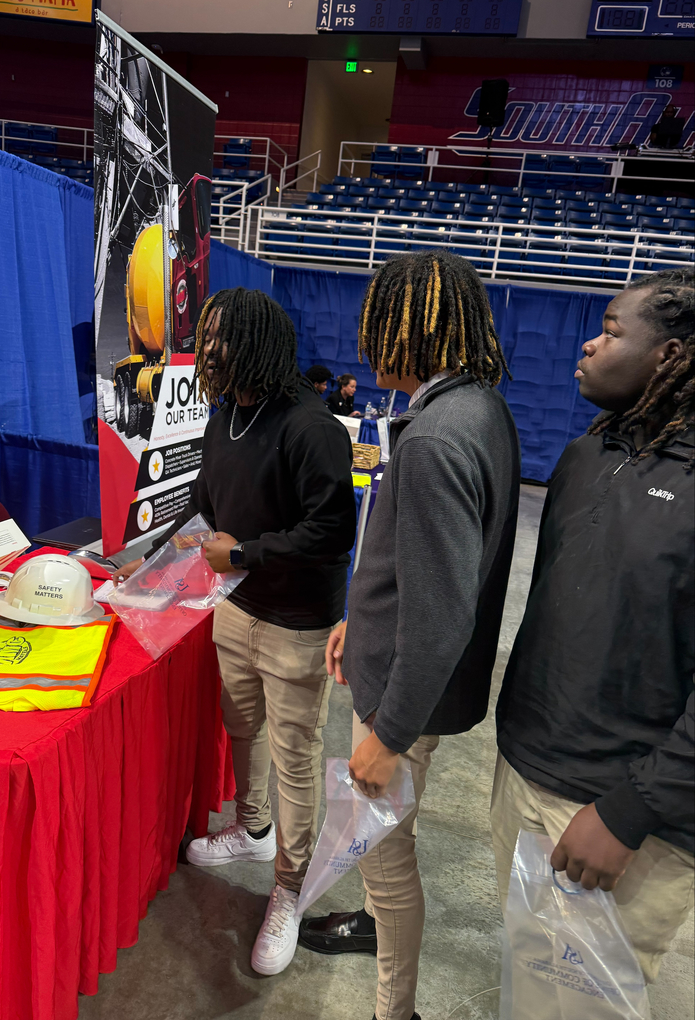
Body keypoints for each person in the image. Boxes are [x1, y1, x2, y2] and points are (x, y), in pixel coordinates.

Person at [300, 250, 521, 1020]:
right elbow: (424, 565)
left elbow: (441, 614)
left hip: (403, 702)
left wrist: (387, 733)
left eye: (377, 316)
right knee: (385, 852)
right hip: (403, 675)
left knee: (386, 860)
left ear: (407, 328)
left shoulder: (433, 437)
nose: (366, 335)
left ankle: (394, 1010)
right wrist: (360, 617)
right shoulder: (475, 408)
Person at [112, 287, 357, 976]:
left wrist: (245, 555)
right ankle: (254, 831)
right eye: (206, 334)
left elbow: (334, 531)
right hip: (235, 608)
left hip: (298, 623)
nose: (208, 349)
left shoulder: (313, 428)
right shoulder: (226, 417)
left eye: (222, 336)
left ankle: (289, 887)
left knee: (295, 754)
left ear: (259, 343)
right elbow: (202, 502)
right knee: (242, 728)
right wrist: (149, 552)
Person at [493, 268, 694, 987]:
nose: (587, 345)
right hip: (525, 769)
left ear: (670, 356)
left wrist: (632, 809)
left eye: (610, 331)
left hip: (628, 819)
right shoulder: (586, 455)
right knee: (529, 979)